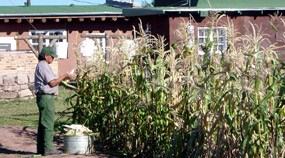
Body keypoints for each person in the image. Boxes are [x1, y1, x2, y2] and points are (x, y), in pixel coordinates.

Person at [34, 47, 74, 156]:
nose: (53, 59)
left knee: (42, 123)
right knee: (48, 123)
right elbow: (52, 83)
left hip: (42, 97)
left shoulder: (40, 65)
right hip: (46, 97)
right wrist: (65, 76)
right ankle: (48, 149)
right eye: (52, 57)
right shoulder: (44, 66)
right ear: (46, 56)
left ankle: (41, 149)